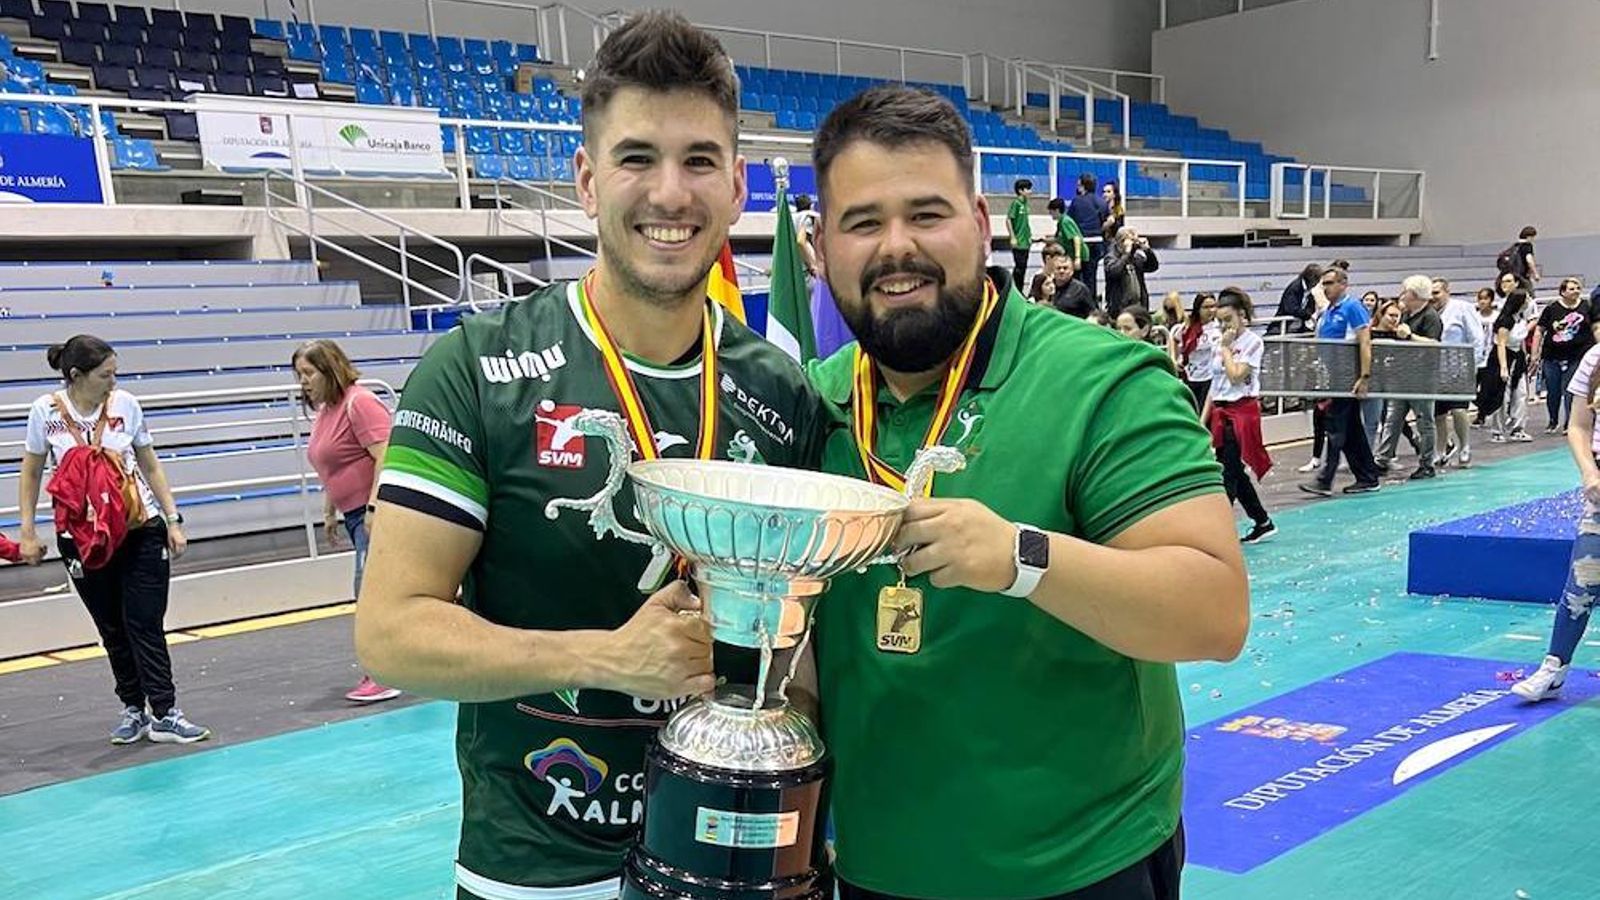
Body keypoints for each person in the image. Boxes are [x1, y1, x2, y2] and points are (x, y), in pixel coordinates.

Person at [352, 14, 828, 899]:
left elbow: (805, 648)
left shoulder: (783, 392)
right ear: (586, 179)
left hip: (735, 861)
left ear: (735, 188)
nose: (669, 193)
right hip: (540, 870)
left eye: (698, 161)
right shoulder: (477, 370)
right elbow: (391, 633)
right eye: (637, 157)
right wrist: (604, 658)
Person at [804, 83, 1249, 900]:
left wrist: (1020, 557)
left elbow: (1213, 611)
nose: (895, 247)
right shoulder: (812, 404)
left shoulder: (1104, 381)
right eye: (862, 222)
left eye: (926, 214)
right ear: (820, 247)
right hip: (875, 871)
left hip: (1082, 870)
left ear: (979, 225)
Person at [16, 334, 210, 744]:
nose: (113, 381)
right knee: (111, 626)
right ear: (76, 376)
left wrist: (173, 518)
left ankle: (165, 711)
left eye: (115, 373)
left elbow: (149, 464)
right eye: (106, 374)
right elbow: (32, 472)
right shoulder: (44, 412)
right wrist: (29, 532)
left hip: (140, 528)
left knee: (145, 622)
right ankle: (133, 708)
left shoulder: (127, 405)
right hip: (82, 538)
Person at [293, 339, 401, 704]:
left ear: (329, 369)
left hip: (378, 514)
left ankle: (383, 672)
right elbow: (332, 464)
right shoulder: (328, 411)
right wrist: (329, 510)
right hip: (354, 516)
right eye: (300, 376)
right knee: (373, 591)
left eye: (308, 373)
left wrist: (374, 507)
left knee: (369, 593)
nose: (303, 382)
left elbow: (387, 456)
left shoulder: (360, 403)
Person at [1511, 336, 1600, 702]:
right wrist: (1589, 473)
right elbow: (1578, 426)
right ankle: (1554, 669)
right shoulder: (1596, 357)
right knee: (1582, 582)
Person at [1300, 266, 1382, 497]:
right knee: (1351, 431)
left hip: (1348, 378)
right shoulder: (1328, 312)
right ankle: (1367, 476)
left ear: (1343, 284)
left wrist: (1364, 377)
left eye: (1330, 283)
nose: (1325, 288)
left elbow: (1365, 342)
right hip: (1333, 378)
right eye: (1323, 284)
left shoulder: (1352, 307)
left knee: (1336, 429)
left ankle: (1325, 480)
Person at [1201, 289, 1274, 543]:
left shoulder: (1253, 342)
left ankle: (1217, 532)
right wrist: (1203, 419)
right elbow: (1216, 383)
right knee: (1233, 470)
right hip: (1220, 411)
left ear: (1241, 316)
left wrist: (1226, 350)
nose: (1224, 326)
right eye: (1219, 321)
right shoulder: (1217, 341)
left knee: (1228, 473)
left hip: (1241, 412)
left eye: (1228, 320)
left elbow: (1235, 375)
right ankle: (1262, 520)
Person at [1374, 275, 1442, 480]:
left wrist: (1410, 336)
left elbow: (1434, 345)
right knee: (1392, 419)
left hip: (1422, 377)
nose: (1402, 295)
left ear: (1413, 294)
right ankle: (1383, 459)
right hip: (1401, 374)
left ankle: (1427, 463)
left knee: (1424, 420)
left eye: (1405, 291)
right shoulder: (1406, 315)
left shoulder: (1431, 317)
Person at [1430, 277, 1485, 468]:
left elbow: (1477, 337)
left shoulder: (1462, 308)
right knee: (1438, 413)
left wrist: (1474, 364)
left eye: (1436, 292)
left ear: (1447, 292)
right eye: (1430, 293)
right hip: (1436, 370)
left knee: (1459, 409)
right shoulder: (1429, 312)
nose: (1433, 297)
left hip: (1460, 367)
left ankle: (1465, 447)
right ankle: (1441, 449)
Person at [1531, 277, 1595, 434]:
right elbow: (1540, 330)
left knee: (1570, 390)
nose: (1576, 291)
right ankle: (1553, 420)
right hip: (1553, 356)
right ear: (1563, 292)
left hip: (1578, 355)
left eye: (1578, 288)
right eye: (1571, 289)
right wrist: (1535, 353)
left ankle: (1569, 422)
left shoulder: (1587, 307)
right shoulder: (1552, 309)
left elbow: (1595, 327)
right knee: (1553, 390)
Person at [1102, 227, 1159, 317]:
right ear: (1121, 241)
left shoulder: (1136, 257)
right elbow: (1114, 272)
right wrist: (1126, 253)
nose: (1134, 243)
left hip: (1139, 306)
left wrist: (1147, 250)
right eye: (1132, 240)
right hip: (1120, 308)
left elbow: (1153, 267)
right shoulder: (1111, 257)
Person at [1273, 263, 1324, 334]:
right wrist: (1306, 314)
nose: (1317, 283)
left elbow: (1311, 307)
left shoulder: (1308, 290)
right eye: (1317, 280)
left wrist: (1307, 313)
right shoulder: (1295, 288)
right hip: (1282, 327)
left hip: (1298, 326)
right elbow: (1291, 308)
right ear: (1311, 278)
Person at [1007, 178, 1033, 290]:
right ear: (1021, 190)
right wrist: (1013, 237)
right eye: (1028, 189)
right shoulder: (1016, 203)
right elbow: (1008, 220)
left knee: (1023, 268)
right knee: (1019, 268)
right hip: (1019, 241)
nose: (1030, 192)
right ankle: (1015, 290)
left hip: (1026, 241)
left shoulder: (1025, 204)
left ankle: (1019, 290)